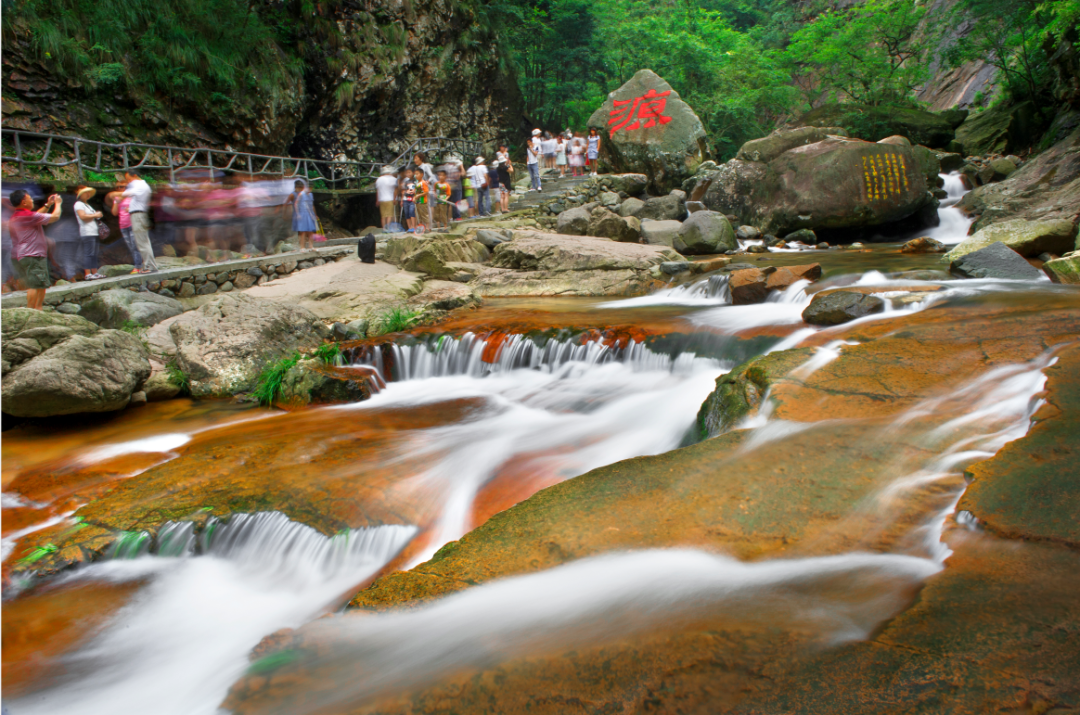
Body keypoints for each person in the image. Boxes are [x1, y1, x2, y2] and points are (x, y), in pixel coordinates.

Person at [8, 188, 62, 309]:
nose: (32, 200)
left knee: (40, 284)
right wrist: (58, 203)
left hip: (25, 255)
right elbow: (55, 217)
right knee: (35, 285)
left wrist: (48, 205)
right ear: (24, 202)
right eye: (30, 198)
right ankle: (32, 310)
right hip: (33, 255)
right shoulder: (27, 216)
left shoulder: (17, 216)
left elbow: (37, 216)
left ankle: (38, 308)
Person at [122, 169, 158, 272]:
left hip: (138, 216)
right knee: (144, 242)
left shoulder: (140, 185)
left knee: (142, 243)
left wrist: (116, 193)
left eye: (128, 179)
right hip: (138, 214)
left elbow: (125, 194)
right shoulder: (141, 186)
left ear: (134, 176)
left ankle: (149, 266)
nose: (128, 181)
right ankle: (150, 265)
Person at [108, 178, 144, 273]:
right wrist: (117, 202)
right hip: (123, 225)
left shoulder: (132, 196)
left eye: (123, 186)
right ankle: (139, 264)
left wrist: (131, 209)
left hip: (133, 223)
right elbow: (114, 213)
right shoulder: (117, 198)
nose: (121, 189)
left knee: (135, 245)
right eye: (119, 187)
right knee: (131, 246)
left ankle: (138, 266)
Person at [74, 186, 105, 280]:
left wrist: (97, 215)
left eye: (89, 193)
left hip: (93, 231)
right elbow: (82, 216)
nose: (88, 194)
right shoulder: (78, 204)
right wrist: (95, 215)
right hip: (87, 232)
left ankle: (95, 273)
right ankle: (87, 273)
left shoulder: (87, 205)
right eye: (85, 192)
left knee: (94, 253)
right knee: (88, 253)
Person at [285, 180, 317, 249]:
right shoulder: (295, 194)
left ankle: (310, 246)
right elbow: (292, 204)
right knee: (302, 231)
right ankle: (302, 247)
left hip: (308, 213)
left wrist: (314, 214)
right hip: (300, 214)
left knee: (310, 230)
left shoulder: (309, 194)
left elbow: (311, 205)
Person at [413, 153, 436, 230]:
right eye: (414, 159)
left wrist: (428, 181)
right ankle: (422, 226)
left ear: (421, 158)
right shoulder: (417, 168)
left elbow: (432, 176)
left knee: (427, 208)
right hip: (419, 190)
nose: (415, 160)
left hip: (426, 189)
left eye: (416, 158)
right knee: (420, 209)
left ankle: (429, 226)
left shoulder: (425, 166)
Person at [495, 145, 513, 213]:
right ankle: (506, 208)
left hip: (500, 183)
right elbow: (511, 171)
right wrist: (510, 165)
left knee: (501, 196)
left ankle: (502, 209)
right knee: (506, 196)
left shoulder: (498, 168)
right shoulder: (505, 168)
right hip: (505, 183)